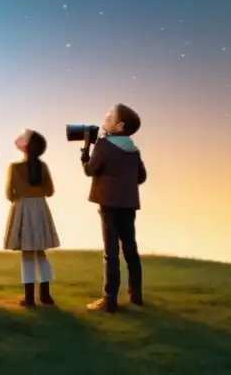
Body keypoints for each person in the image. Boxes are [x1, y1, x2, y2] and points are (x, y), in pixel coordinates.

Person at [81, 103, 147, 312]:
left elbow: (90, 170)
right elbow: (141, 177)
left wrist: (85, 150)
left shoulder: (104, 145)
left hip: (109, 204)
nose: (105, 117)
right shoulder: (133, 149)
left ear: (119, 125)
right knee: (130, 249)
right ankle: (135, 295)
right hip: (128, 204)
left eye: (109, 116)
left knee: (111, 252)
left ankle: (110, 300)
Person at [3, 129, 60, 307]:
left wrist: (21, 199)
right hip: (40, 208)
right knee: (40, 253)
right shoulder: (42, 167)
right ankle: (45, 295)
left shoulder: (14, 167)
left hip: (22, 208)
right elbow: (50, 191)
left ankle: (29, 298)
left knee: (27, 255)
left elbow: (9, 194)